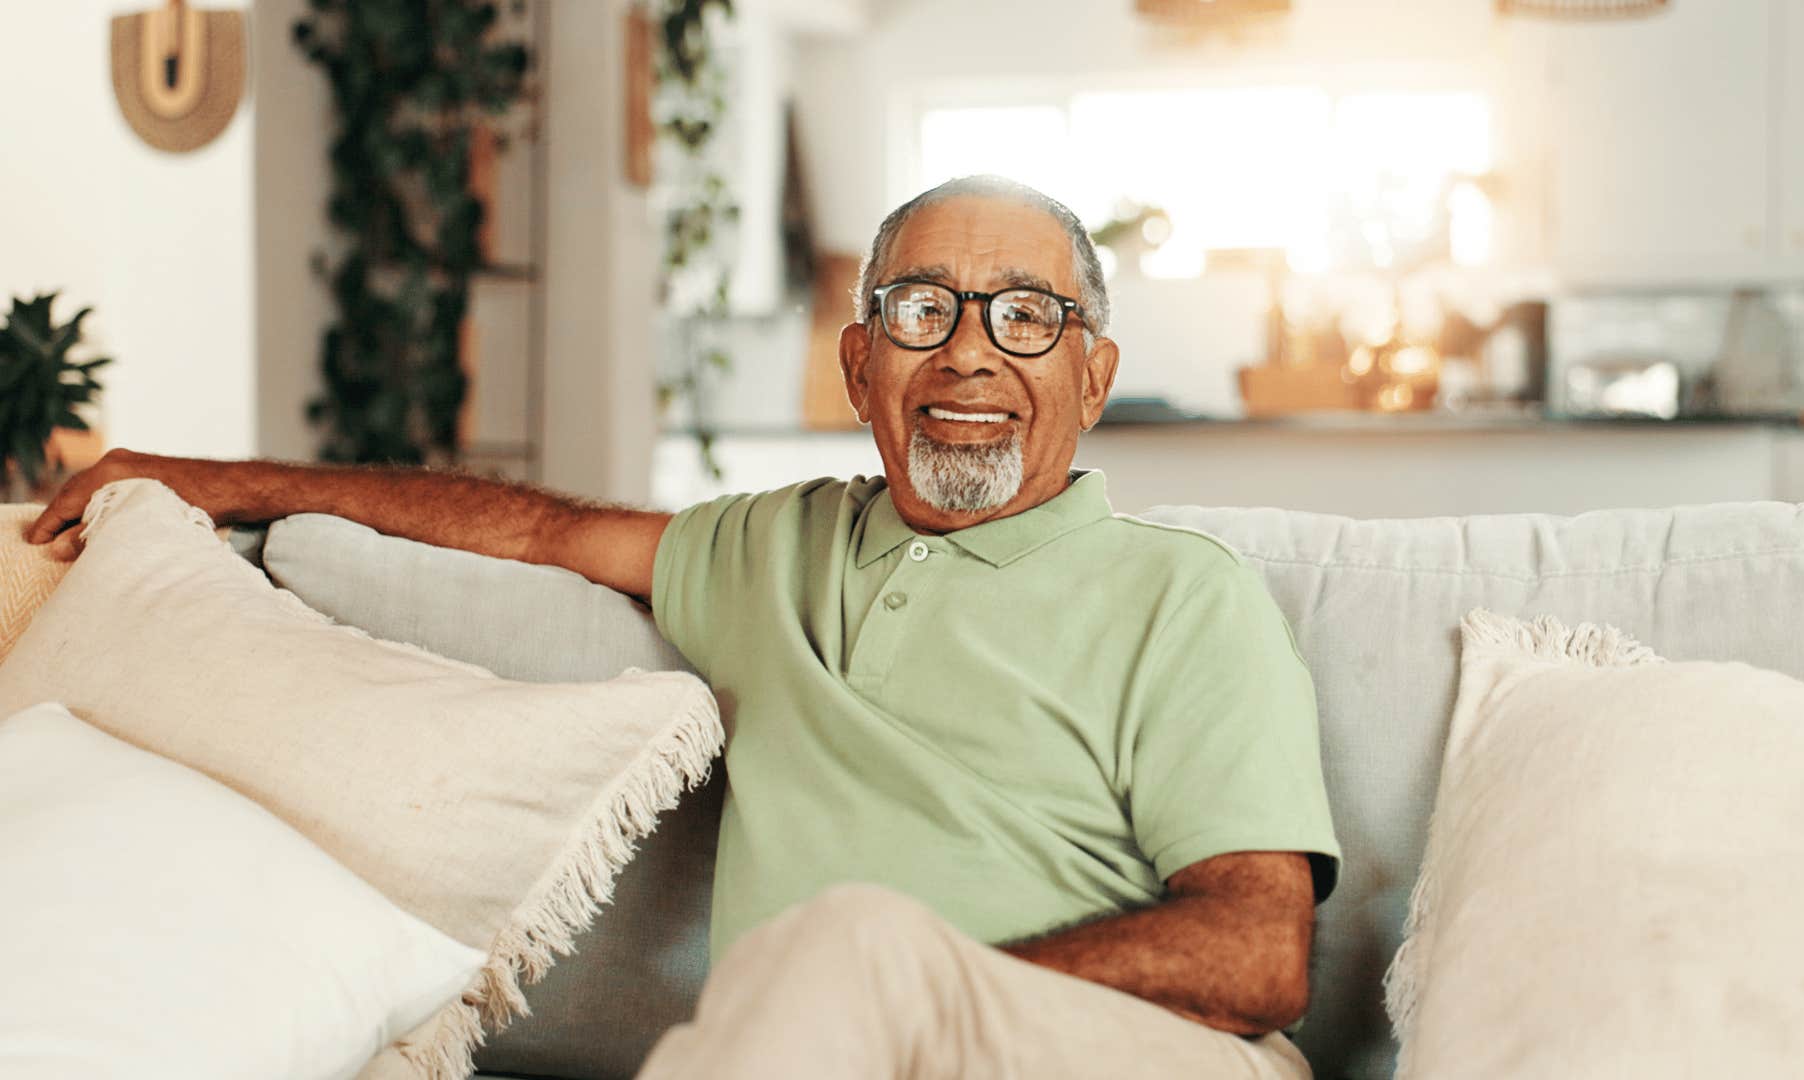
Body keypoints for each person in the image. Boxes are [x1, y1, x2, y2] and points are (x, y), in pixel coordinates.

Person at [29, 175, 1340, 1079]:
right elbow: (534, 530)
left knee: (850, 945)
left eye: (1026, 315)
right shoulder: (769, 550)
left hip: (1136, 1054)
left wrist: (926, 995)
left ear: (1094, 377)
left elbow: (1258, 952)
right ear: (861, 366)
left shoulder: (1183, 594)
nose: (967, 354)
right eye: (921, 308)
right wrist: (215, 481)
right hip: (825, 1047)